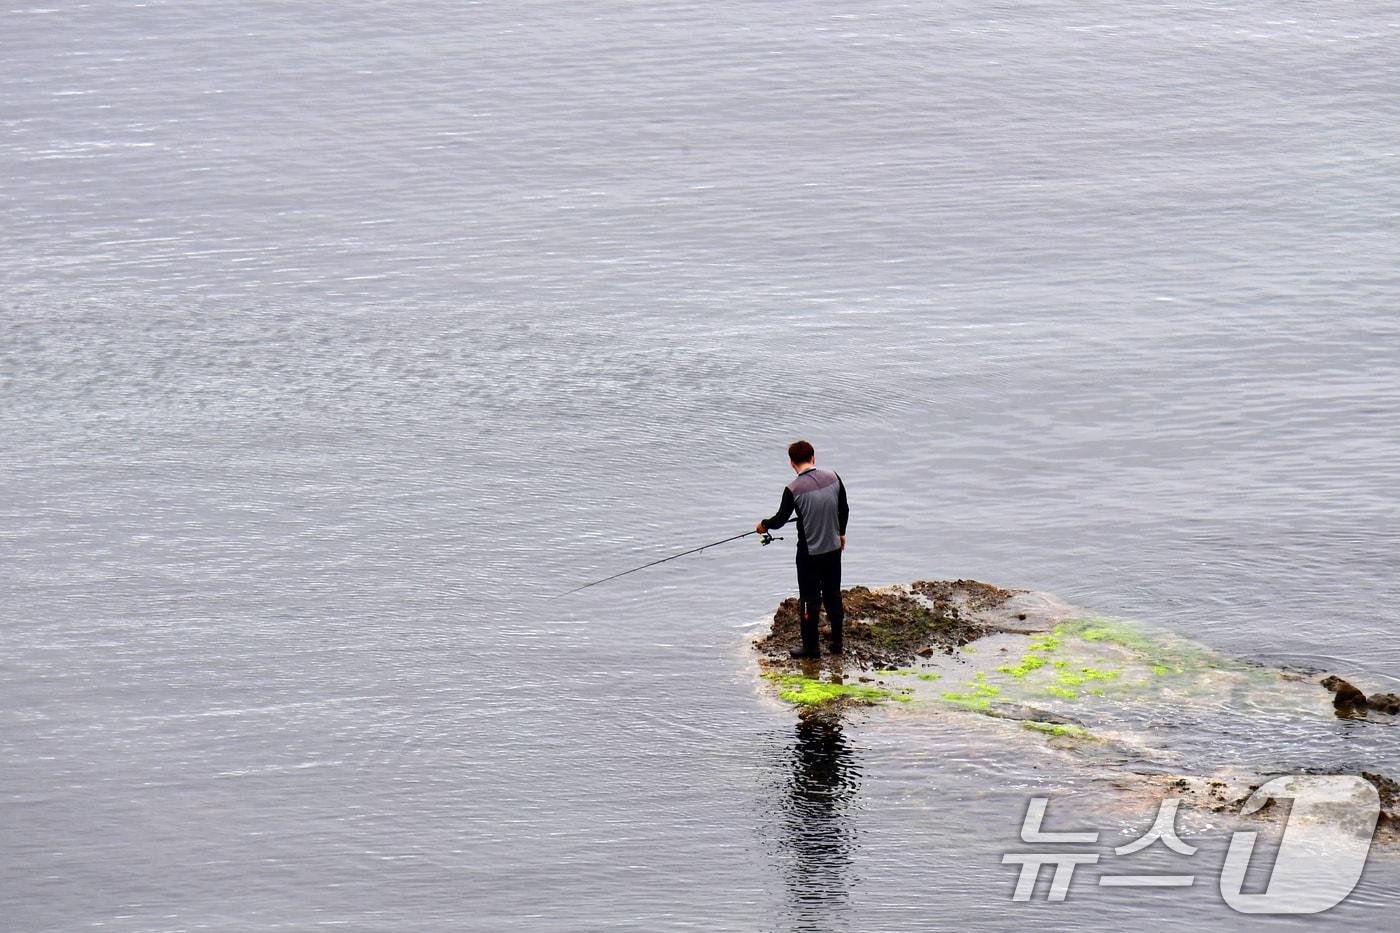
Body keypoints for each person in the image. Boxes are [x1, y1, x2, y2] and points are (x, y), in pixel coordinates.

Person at [757, 440, 849, 659]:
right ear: (813, 458)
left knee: (809, 599)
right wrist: (841, 533)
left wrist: (764, 525)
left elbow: (780, 520)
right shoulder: (833, 477)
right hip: (834, 548)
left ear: (791, 463)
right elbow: (843, 508)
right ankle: (837, 643)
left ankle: (811, 648)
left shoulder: (793, 490)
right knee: (833, 594)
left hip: (809, 554)